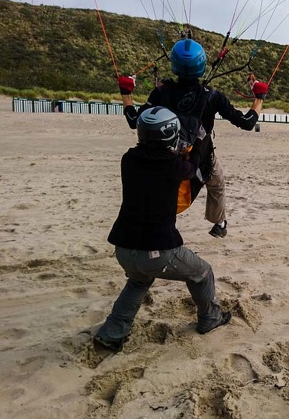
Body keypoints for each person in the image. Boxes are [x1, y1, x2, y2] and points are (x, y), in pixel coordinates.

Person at [94, 106, 232, 353]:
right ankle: (211, 318)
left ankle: (112, 333)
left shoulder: (129, 159)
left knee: (138, 281)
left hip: (123, 249)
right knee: (202, 272)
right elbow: (193, 166)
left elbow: (158, 160)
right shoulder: (173, 167)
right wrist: (200, 141)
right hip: (157, 250)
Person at [117, 38, 268, 238]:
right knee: (217, 183)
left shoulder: (161, 92)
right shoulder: (212, 96)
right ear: (202, 65)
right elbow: (247, 122)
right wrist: (259, 97)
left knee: (165, 191)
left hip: (164, 154)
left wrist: (126, 93)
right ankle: (219, 223)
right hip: (200, 156)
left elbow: (134, 120)